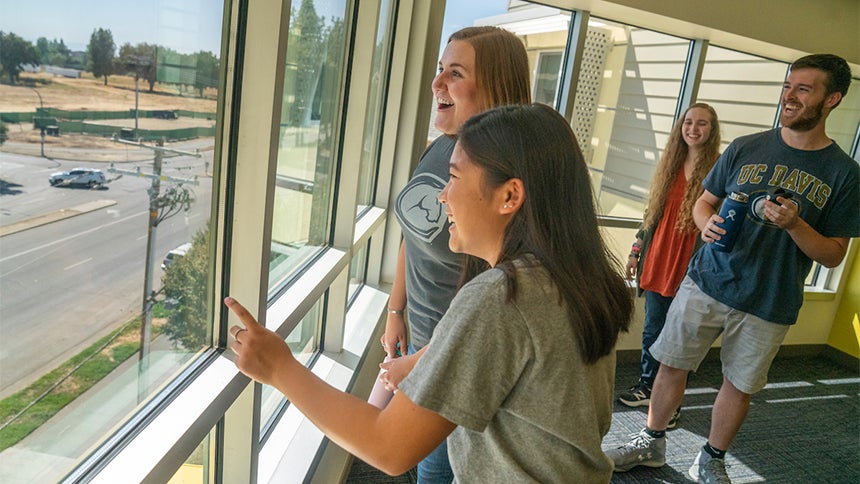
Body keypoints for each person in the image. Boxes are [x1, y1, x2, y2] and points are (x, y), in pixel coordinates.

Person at [226, 103, 634, 482]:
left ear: (509, 195)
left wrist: (279, 367)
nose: (442, 196)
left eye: (454, 177)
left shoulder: (501, 296)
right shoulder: (572, 280)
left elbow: (388, 447)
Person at [606, 54, 859, 483]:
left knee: (739, 385)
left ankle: (711, 458)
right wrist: (707, 226)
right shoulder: (747, 147)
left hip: (770, 298)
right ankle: (651, 440)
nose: (790, 96)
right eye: (787, 86)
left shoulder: (844, 173)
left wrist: (795, 225)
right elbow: (705, 202)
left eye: (804, 88)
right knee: (670, 364)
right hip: (707, 280)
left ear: (832, 99)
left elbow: (834, 254)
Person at [380, 26, 531, 482]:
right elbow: (413, 232)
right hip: (418, 339)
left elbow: (504, 300)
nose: (437, 83)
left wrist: (428, 358)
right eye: (439, 70)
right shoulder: (442, 150)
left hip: (453, 359)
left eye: (456, 72)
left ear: (496, 87)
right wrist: (395, 310)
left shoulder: (504, 180)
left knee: (429, 468)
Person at [618, 103, 722, 429]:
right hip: (660, 257)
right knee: (653, 329)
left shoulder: (719, 168)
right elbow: (650, 217)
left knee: (681, 336)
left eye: (701, 123)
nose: (693, 129)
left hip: (692, 263)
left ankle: (672, 402)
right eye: (688, 122)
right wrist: (636, 253)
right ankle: (648, 386)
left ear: (711, 129)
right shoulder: (670, 164)